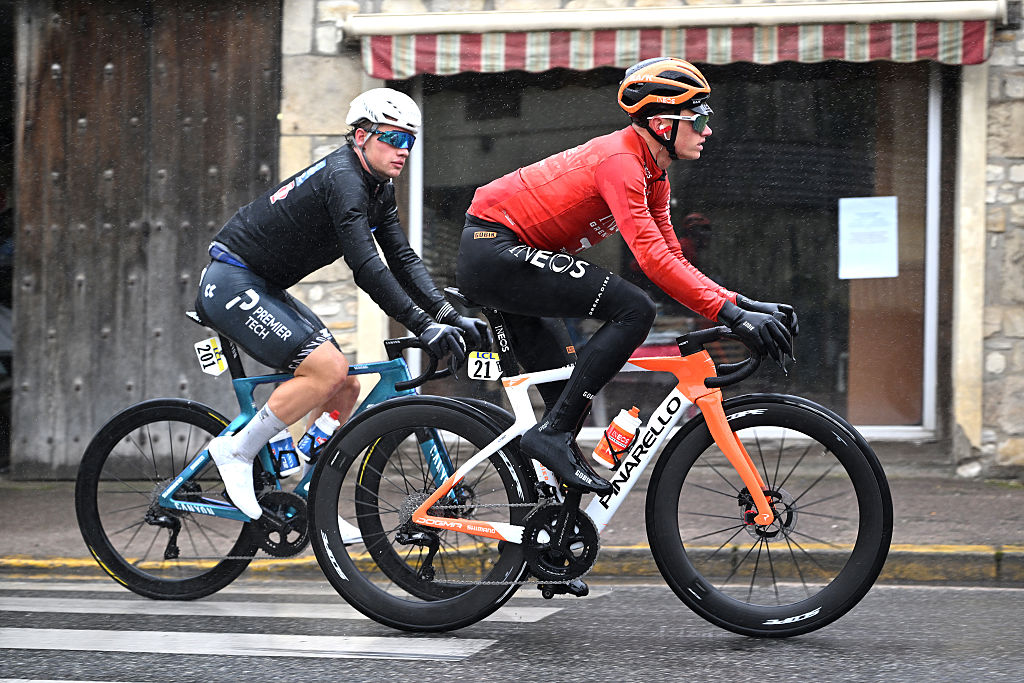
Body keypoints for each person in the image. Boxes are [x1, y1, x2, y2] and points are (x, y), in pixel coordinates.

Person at [456, 58, 797, 495]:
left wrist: (741, 305)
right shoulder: (621, 161)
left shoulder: (655, 175)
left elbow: (672, 256)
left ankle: (542, 517)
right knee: (634, 308)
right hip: (493, 248)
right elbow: (652, 260)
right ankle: (549, 438)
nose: (707, 130)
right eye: (699, 118)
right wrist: (730, 314)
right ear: (661, 123)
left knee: (568, 391)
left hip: (515, 253)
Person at [195, 88, 489, 519]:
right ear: (359, 136)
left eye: (411, 140)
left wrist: (446, 314)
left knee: (346, 384)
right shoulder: (344, 178)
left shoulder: (378, 187)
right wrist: (421, 324)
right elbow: (367, 266)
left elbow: (402, 259)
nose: (403, 150)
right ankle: (236, 453)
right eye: (394, 138)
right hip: (231, 278)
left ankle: (309, 497)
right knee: (327, 370)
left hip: (265, 285)